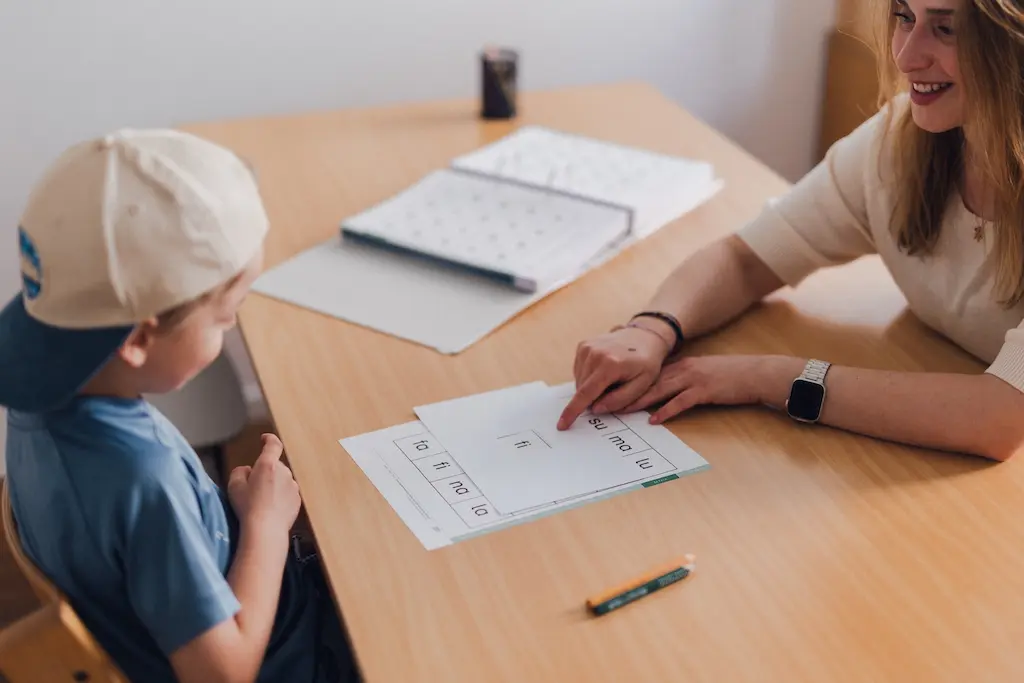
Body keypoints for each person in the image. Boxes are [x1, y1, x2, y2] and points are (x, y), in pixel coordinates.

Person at [558, 0, 1024, 462]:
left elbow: (998, 418)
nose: (905, 57)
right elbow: (746, 258)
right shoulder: (899, 141)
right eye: (904, 17)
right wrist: (651, 330)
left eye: (946, 30)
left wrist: (768, 377)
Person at [0, 130, 359, 682]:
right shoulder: (142, 482)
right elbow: (222, 674)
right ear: (138, 339)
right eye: (225, 316)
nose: (231, 326)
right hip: (297, 661)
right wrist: (265, 525)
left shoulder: (38, 395)